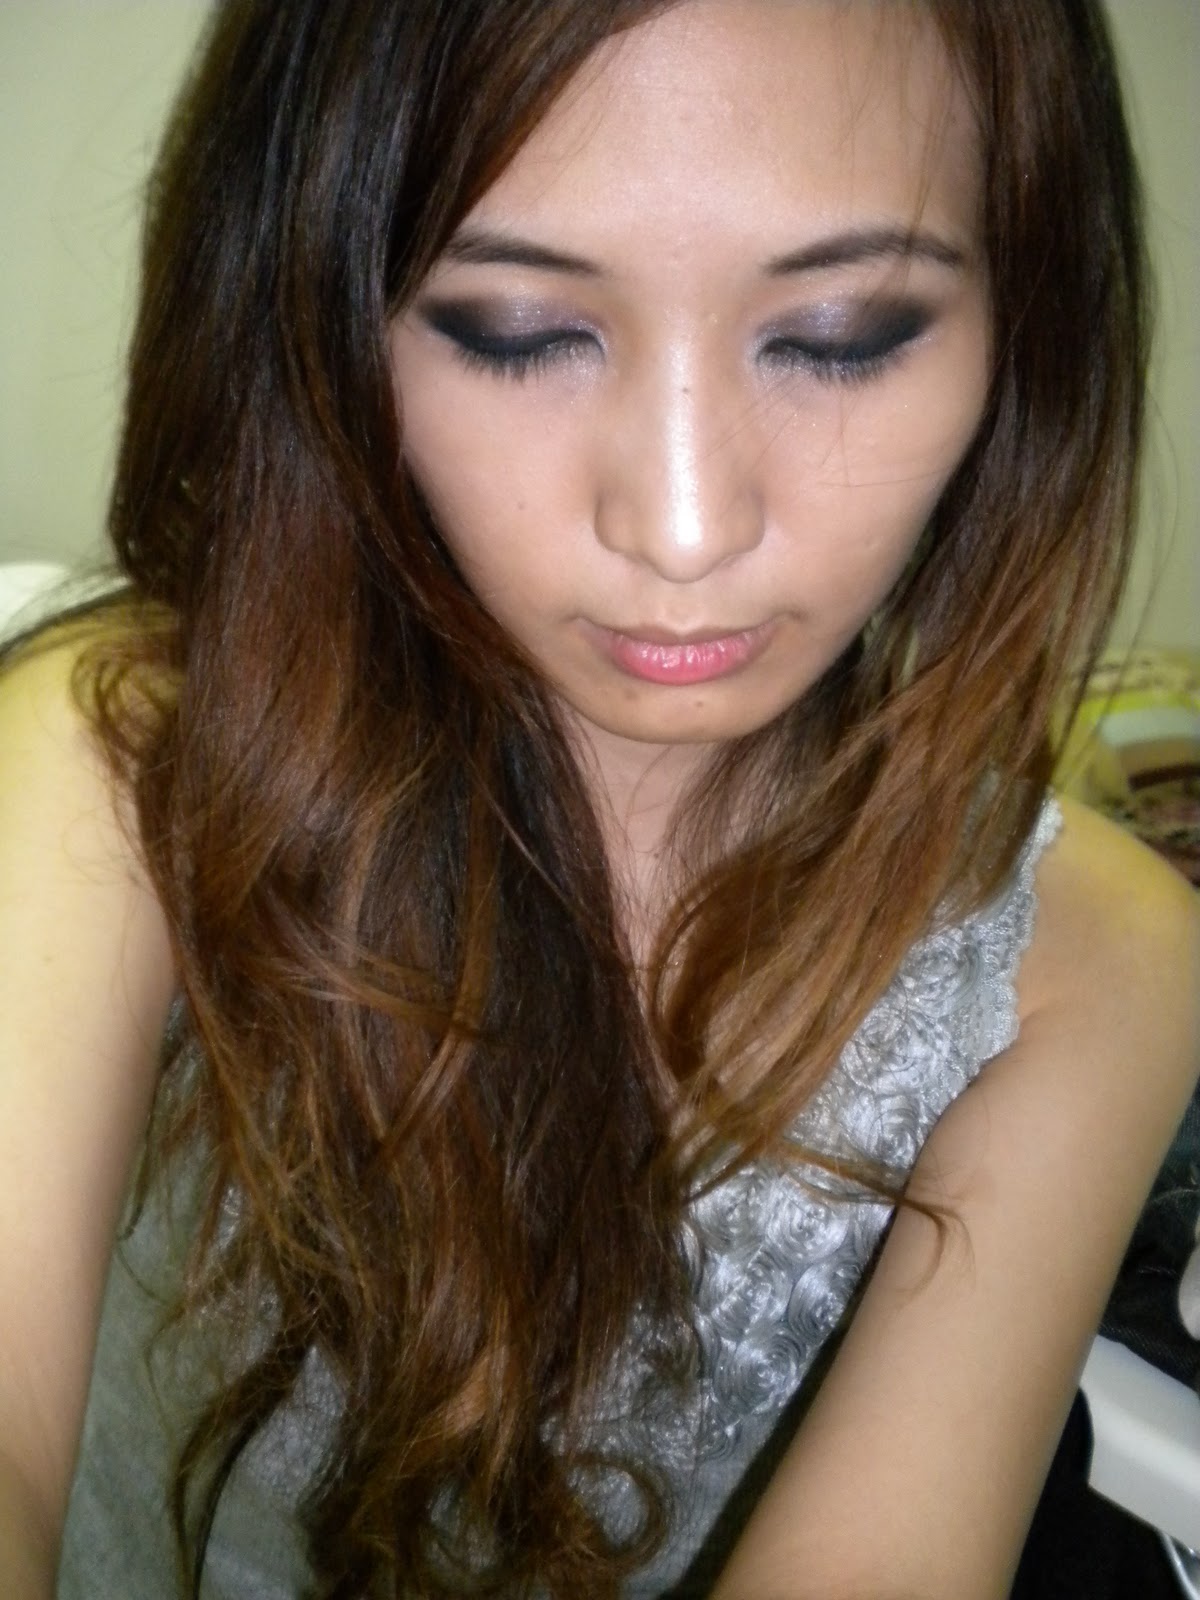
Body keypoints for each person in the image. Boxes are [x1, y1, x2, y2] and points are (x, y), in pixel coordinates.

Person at [1, 1, 1197, 1596]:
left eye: (841, 334)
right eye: (517, 331)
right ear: (329, 325)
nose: (684, 528)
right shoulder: (114, 769)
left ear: (1021, 325)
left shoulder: (1093, 964)